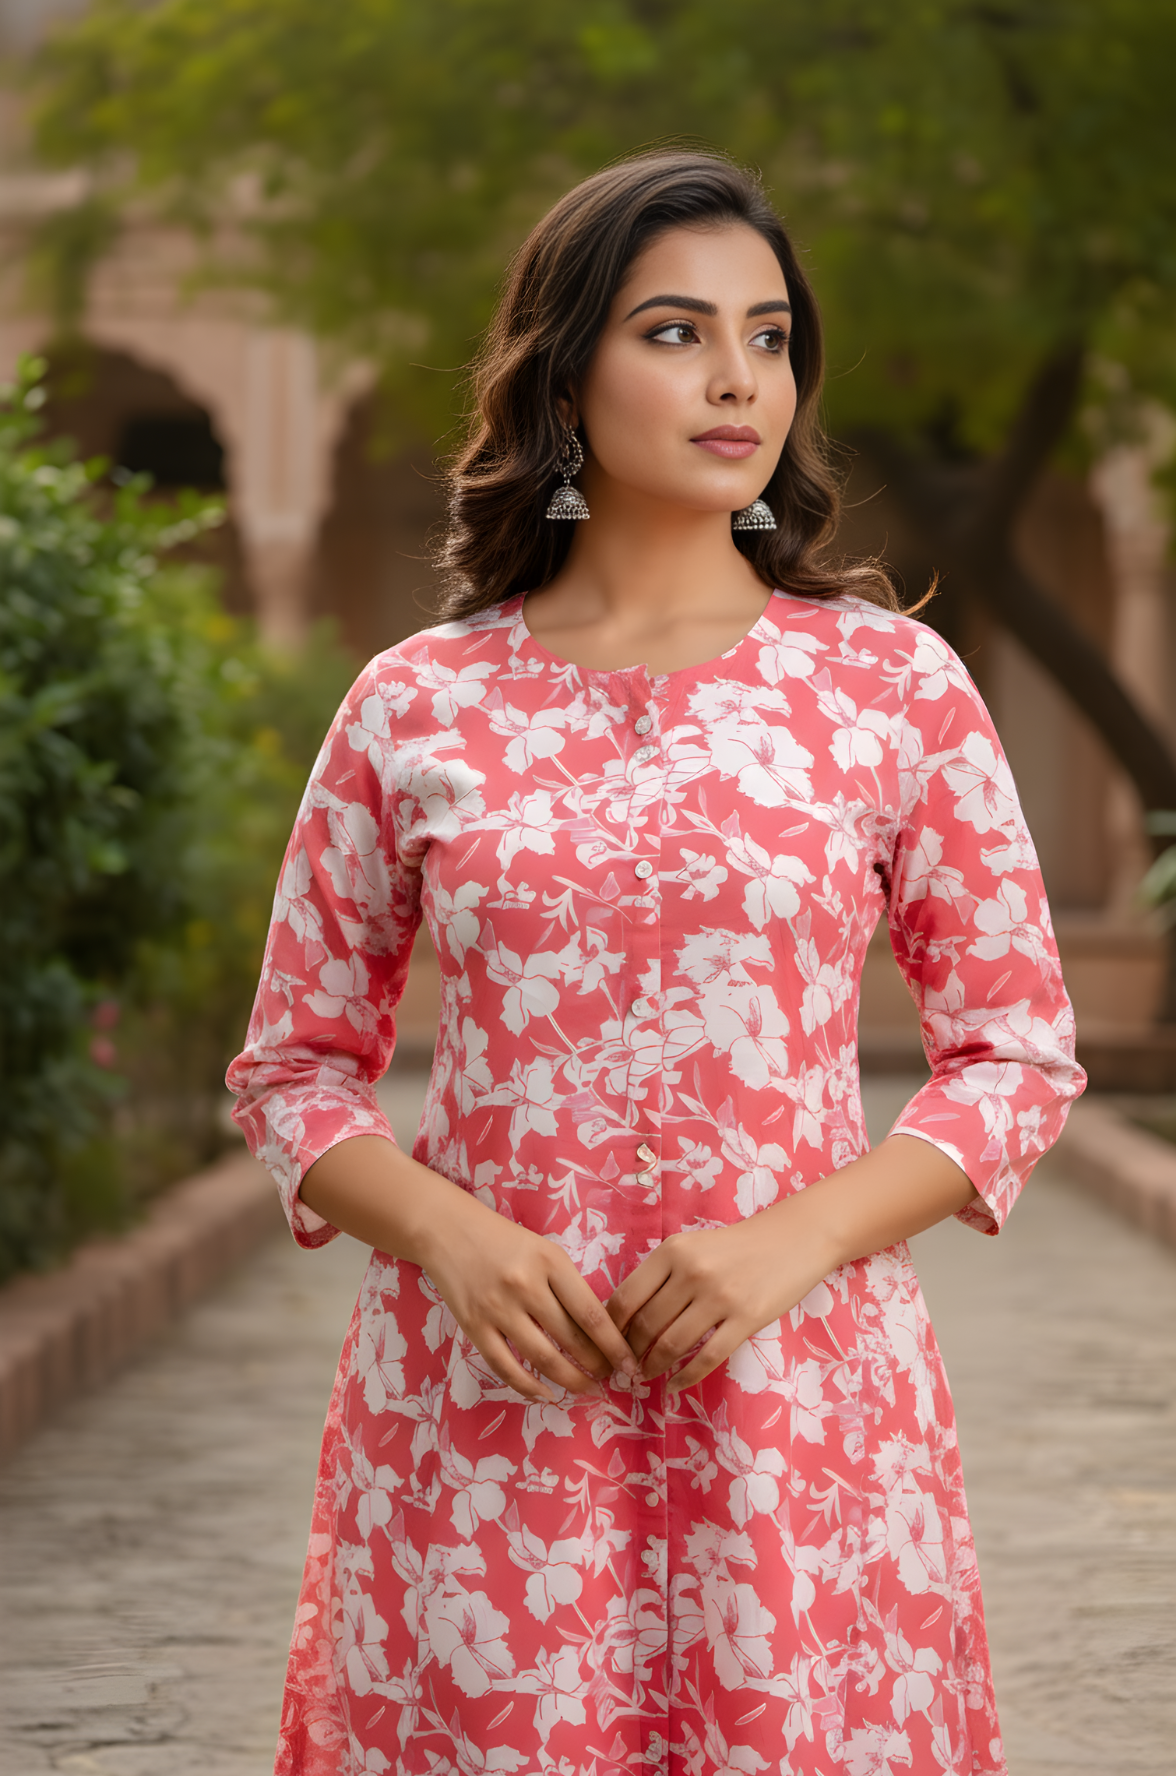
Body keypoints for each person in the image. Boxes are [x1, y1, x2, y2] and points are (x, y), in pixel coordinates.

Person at [227, 148, 1084, 1776]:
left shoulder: (890, 689)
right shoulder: (416, 706)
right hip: (485, 1421)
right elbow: (290, 1068)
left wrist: (794, 1243)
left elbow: (1017, 1056)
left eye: (769, 339)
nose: (738, 379)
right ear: (565, 371)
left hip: (801, 1413)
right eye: (678, 332)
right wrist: (451, 1239)